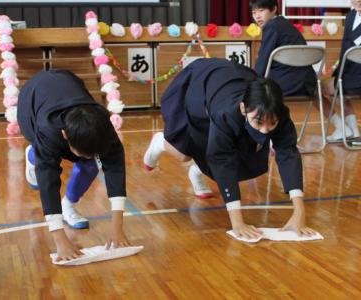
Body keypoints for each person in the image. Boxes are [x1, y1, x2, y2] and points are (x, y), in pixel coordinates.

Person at [143, 58, 316, 239]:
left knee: (245, 154)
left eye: (271, 124)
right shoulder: (225, 113)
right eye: (259, 122)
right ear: (243, 108)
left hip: (233, 81)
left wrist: (299, 212)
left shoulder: (276, 112)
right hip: (199, 87)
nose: (266, 130)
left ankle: (198, 170)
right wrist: (237, 223)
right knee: (185, 153)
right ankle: (159, 142)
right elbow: (221, 159)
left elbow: (288, 153)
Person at [18, 69, 130, 261]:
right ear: (65, 135)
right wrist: (60, 240)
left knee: (89, 165)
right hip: (32, 100)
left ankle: (69, 205)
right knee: (43, 157)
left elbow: (115, 167)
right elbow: (49, 182)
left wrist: (117, 226)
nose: (89, 156)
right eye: (83, 152)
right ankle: (32, 156)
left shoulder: (104, 126)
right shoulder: (49, 129)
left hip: (69, 83)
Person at [251, 0, 317, 97]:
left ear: (274, 9)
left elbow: (263, 61)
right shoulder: (287, 25)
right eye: (254, 13)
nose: (257, 16)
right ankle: (333, 113)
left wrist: (252, 82)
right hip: (308, 82)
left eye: (261, 10)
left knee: (251, 91)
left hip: (282, 85)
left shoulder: (271, 26)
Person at [320, 1, 361, 141]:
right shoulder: (350, 16)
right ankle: (353, 131)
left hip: (357, 75)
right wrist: (337, 72)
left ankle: (344, 129)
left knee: (321, 88)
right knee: (333, 85)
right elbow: (346, 48)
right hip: (348, 71)